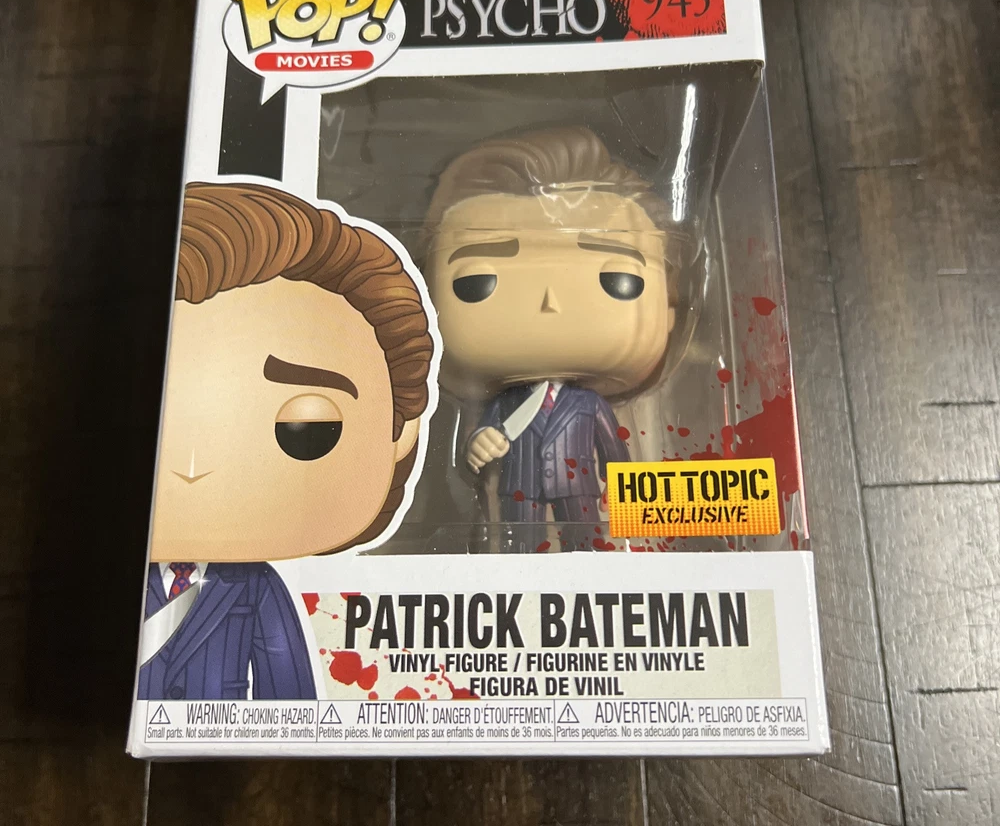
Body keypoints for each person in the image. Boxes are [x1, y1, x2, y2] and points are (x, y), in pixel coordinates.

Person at [138, 182, 434, 700]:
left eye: (306, 428)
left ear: (401, 430)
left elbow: (289, 690)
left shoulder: (255, 587)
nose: (192, 467)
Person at [423, 126, 674, 552]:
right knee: (519, 549)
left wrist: (628, 496)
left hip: (577, 488)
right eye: (476, 282)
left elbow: (614, 453)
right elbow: (484, 437)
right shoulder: (506, 403)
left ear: (670, 311)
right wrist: (478, 446)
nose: (549, 300)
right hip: (519, 491)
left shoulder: (589, 403)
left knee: (587, 545)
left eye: (617, 279)